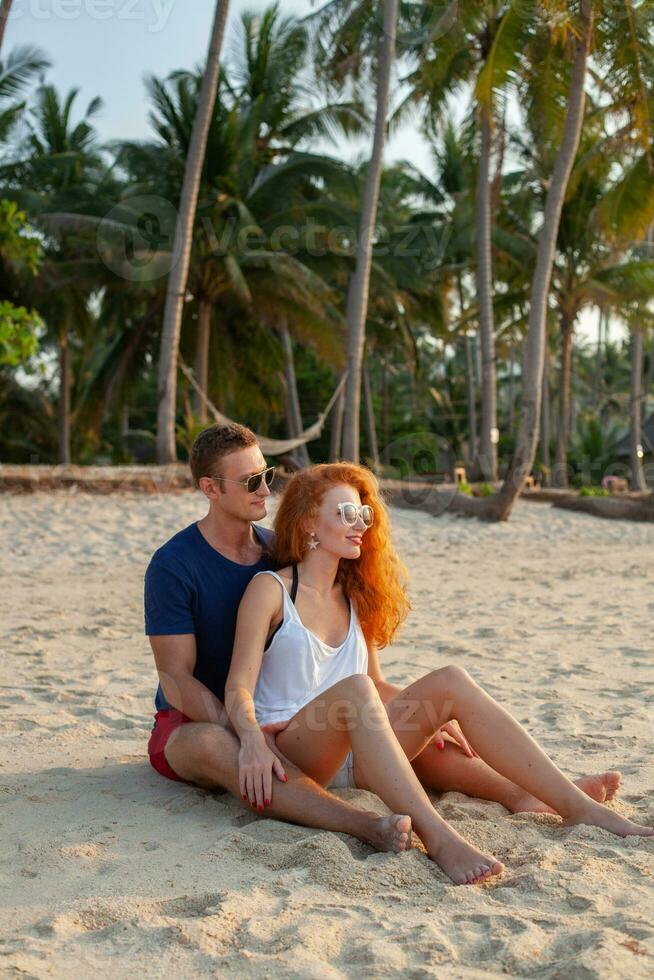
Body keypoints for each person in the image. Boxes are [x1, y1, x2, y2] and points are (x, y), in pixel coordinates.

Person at [224, 461, 653, 886]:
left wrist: (433, 714)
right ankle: (440, 838)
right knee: (356, 690)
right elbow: (239, 686)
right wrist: (249, 741)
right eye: (346, 514)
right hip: (298, 751)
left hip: (362, 749)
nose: (360, 524)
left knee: (450, 680)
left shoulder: (353, 597)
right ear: (309, 523)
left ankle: (575, 805)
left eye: (364, 514)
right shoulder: (271, 590)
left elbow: (375, 684)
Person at [144, 423, 413, 854]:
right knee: (216, 746)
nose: (264, 490)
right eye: (251, 481)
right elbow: (176, 680)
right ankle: (363, 825)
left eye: (267, 476)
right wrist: (244, 730)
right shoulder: (173, 565)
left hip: (274, 714)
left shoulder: (278, 551)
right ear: (210, 489)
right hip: (194, 719)